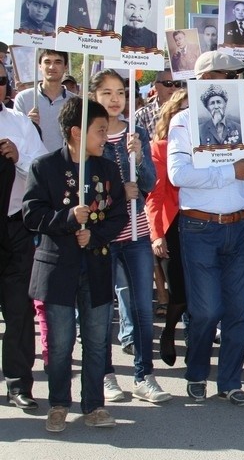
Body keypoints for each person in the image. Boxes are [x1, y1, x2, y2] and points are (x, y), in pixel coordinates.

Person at [166, 51, 244, 406]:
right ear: (207, 79)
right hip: (199, 228)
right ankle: (196, 372)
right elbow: (179, 175)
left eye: (235, 76)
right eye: (228, 75)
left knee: (238, 312)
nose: (235, 81)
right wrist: (232, 171)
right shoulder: (181, 121)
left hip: (239, 228)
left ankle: (230, 381)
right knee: (207, 310)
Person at [23, 98, 128, 431]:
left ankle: (94, 405)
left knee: (97, 339)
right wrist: (68, 218)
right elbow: (31, 214)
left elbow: (119, 216)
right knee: (60, 342)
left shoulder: (109, 168)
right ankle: (58, 404)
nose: (105, 137)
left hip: (96, 265)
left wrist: (94, 237)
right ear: (76, 132)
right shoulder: (45, 167)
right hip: (58, 268)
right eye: (100, 130)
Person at [88, 70, 168, 404]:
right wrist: (122, 191)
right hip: (103, 236)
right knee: (102, 309)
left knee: (142, 309)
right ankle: (106, 375)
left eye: (120, 92)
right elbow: (87, 186)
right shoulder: (90, 137)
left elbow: (149, 183)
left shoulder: (137, 133)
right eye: (106, 93)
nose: (114, 99)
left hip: (136, 234)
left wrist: (138, 157)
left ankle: (143, 375)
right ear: (95, 96)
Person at [0, 78, 48, 412]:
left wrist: (18, 157)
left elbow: (43, 168)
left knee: (18, 311)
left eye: (0, 81)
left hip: (14, 228)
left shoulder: (19, 124)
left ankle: (18, 384)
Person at [144, 90, 189, 367]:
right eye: (179, 112)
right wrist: (157, 234)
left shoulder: (209, 146)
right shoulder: (159, 148)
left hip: (205, 220)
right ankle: (169, 333)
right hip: (173, 226)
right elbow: (155, 197)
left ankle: (197, 337)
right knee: (181, 291)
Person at [13, 49, 75, 152]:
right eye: (47, 62)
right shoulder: (23, 98)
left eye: (58, 62)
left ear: (66, 67)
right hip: (31, 164)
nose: (52, 67)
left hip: (65, 165)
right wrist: (27, 124)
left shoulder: (76, 101)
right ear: (40, 66)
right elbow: (15, 136)